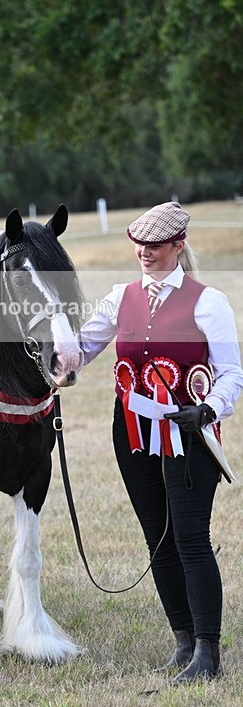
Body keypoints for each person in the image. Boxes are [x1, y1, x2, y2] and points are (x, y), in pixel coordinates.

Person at [78, 201, 243, 684]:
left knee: (191, 536)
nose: (144, 252)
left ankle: (208, 652)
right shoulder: (119, 297)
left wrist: (207, 410)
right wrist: (43, 345)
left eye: (155, 245)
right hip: (131, 432)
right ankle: (183, 642)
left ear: (178, 245)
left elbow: (232, 373)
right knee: (159, 538)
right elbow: (79, 350)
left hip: (189, 430)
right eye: (139, 244)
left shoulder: (208, 301)